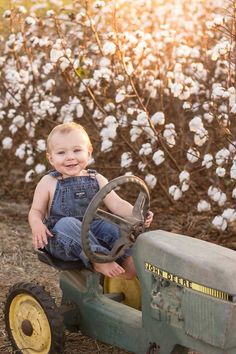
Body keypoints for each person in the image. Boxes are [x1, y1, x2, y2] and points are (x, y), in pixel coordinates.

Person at [28, 122, 153, 278]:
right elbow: (36, 211)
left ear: (89, 152)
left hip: (92, 231)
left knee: (112, 227)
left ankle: (129, 259)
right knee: (68, 223)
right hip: (61, 238)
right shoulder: (48, 182)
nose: (70, 157)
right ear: (51, 158)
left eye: (77, 150)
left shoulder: (97, 179)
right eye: (61, 153)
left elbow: (117, 203)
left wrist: (137, 214)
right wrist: (37, 225)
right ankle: (99, 259)